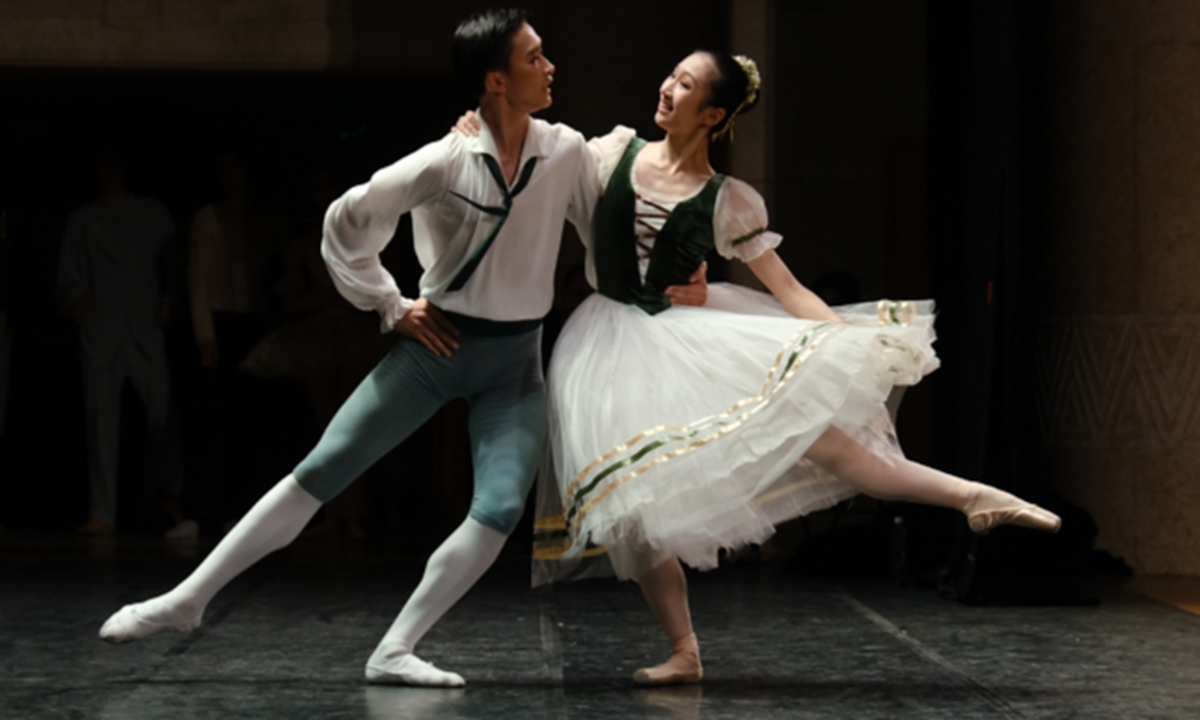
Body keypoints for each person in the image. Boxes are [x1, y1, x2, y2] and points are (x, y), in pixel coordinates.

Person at [97, 9, 705, 688]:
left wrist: (677, 271)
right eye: (534, 57)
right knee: (322, 469)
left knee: (500, 508)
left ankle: (396, 647)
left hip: (515, 365)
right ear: (496, 80)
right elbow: (349, 220)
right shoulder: (445, 160)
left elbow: (613, 223)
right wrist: (391, 304)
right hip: (439, 346)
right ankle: (188, 599)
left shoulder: (564, 151)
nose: (550, 66)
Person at [474, 51, 1060, 686]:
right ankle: (684, 651)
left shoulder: (726, 201)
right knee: (635, 513)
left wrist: (851, 347)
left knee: (833, 446)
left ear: (712, 114)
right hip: (610, 346)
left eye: (686, 85)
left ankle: (976, 497)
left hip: (689, 342)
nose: (667, 88)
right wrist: (474, 128)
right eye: (672, 76)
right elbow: (531, 153)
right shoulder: (611, 155)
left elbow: (788, 288)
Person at [56, 148, 193, 538]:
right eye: (104, 165)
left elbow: (172, 266)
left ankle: (173, 500)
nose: (110, 173)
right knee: (100, 427)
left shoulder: (152, 213)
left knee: (163, 419)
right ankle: (102, 511)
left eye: (115, 165)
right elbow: (69, 275)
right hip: (102, 332)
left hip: (144, 328)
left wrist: (168, 301)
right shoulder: (83, 220)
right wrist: (77, 298)